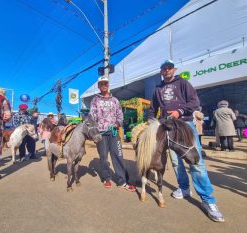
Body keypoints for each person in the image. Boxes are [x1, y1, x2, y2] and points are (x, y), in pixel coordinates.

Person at [148, 60, 224, 222]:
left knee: (195, 161)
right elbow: (153, 108)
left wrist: (179, 111)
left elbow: (194, 102)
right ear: (161, 71)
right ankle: (184, 188)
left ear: (174, 69)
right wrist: (150, 122)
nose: (167, 70)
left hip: (185, 125)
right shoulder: (157, 88)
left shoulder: (183, 83)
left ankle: (208, 200)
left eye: (169, 68)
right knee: (176, 161)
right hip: (167, 126)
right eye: (164, 68)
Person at [90, 76, 136, 192]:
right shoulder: (95, 100)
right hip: (101, 133)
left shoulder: (115, 100)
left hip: (114, 132)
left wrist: (117, 124)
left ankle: (122, 181)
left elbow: (120, 115)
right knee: (104, 157)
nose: (103, 85)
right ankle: (106, 178)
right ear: (98, 86)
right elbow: (92, 116)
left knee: (118, 155)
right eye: (101, 84)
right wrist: (94, 130)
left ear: (108, 85)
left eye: (105, 83)